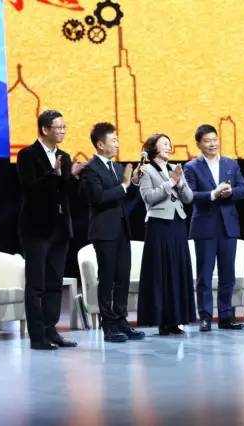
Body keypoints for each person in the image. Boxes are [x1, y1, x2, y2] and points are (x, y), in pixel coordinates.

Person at [16, 109, 86, 350]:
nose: (63, 131)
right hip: (36, 229)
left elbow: (65, 193)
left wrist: (71, 177)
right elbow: (30, 189)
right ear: (45, 129)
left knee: (55, 283)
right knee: (36, 284)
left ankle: (51, 330)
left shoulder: (64, 156)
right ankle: (37, 336)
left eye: (65, 127)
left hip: (60, 228)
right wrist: (53, 175)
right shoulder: (27, 155)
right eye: (59, 127)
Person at [80, 122, 146, 342]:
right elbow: (98, 198)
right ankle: (108, 326)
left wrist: (133, 183)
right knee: (107, 278)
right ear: (100, 144)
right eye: (113, 140)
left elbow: (124, 196)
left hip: (122, 229)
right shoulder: (90, 169)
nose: (117, 144)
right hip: (104, 231)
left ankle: (121, 321)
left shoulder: (117, 167)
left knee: (122, 277)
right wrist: (124, 186)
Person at [183, 124, 244, 332]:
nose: (212, 144)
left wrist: (231, 192)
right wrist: (213, 194)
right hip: (205, 226)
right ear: (199, 144)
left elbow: (243, 189)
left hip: (228, 226)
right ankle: (205, 317)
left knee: (227, 274)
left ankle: (226, 316)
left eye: (214, 139)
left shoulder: (230, 163)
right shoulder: (191, 167)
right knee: (205, 274)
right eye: (207, 141)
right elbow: (190, 195)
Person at [137, 133, 197, 335]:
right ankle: (162, 320)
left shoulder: (175, 168)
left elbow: (188, 198)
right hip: (159, 224)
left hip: (178, 223)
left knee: (177, 270)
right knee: (161, 271)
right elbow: (148, 197)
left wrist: (179, 183)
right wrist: (170, 183)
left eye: (170, 144)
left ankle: (176, 319)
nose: (169, 147)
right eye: (164, 144)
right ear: (153, 147)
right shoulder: (146, 170)